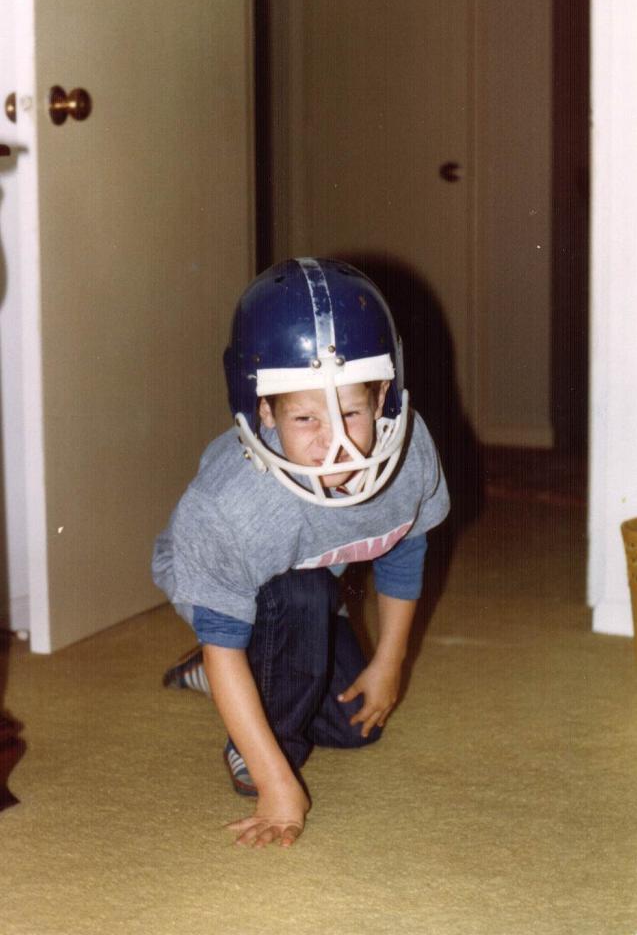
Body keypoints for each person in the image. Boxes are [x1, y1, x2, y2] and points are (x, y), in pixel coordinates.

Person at [152, 257, 449, 849]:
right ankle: (255, 739)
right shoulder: (230, 506)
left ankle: (233, 672)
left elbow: (403, 549)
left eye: (352, 411)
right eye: (307, 417)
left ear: (383, 396)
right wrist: (277, 782)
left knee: (355, 726)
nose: (335, 444)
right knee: (300, 597)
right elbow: (225, 638)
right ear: (264, 409)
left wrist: (389, 662)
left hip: (312, 573)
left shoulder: (410, 453)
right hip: (244, 589)